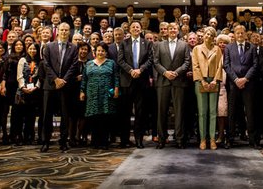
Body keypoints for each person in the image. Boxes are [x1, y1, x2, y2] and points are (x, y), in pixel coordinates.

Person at [40, 22, 79, 152]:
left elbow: (74, 66)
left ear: (69, 32)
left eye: (66, 30)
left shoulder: (73, 48)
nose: (63, 32)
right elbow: (46, 64)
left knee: (65, 115)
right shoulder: (49, 46)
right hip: (50, 85)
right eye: (61, 30)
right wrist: (56, 79)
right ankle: (45, 141)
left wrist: (63, 80)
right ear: (58, 32)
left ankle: (63, 141)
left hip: (66, 86)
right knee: (47, 115)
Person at [153, 22, 191, 149]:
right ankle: (161, 139)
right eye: (170, 29)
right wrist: (165, 72)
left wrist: (176, 72)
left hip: (179, 81)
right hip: (163, 82)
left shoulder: (184, 45)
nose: (173, 31)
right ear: (167, 31)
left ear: (178, 30)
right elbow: (156, 62)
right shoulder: (159, 45)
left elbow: (187, 62)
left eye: (175, 28)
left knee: (179, 112)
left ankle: (180, 139)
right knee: (161, 112)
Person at [117, 21, 153, 149]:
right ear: (129, 30)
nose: (135, 29)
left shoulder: (147, 43)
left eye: (137, 27)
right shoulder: (123, 43)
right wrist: (131, 70)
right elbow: (120, 60)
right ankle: (124, 140)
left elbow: (150, 60)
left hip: (141, 82)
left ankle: (139, 139)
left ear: (141, 29)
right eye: (133, 27)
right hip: (127, 81)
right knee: (125, 112)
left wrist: (140, 70)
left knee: (140, 113)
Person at [223, 25, 259, 149]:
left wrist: (245, 78)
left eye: (242, 33)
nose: (239, 35)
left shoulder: (252, 47)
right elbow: (226, 65)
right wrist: (236, 79)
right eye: (237, 33)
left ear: (245, 34)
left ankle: (253, 140)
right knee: (232, 113)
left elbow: (255, 65)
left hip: (248, 84)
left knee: (250, 112)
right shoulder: (228, 47)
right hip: (233, 84)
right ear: (235, 34)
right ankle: (230, 139)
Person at [80, 42, 119, 149]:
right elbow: (84, 79)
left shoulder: (111, 63)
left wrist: (116, 89)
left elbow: (116, 77)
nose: (100, 52)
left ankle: (104, 141)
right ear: (95, 52)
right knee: (94, 117)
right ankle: (95, 141)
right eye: (98, 50)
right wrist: (82, 91)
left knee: (105, 118)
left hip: (106, 95)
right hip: (92, 95)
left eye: (102, 51)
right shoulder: (89, 64)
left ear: (106, 52)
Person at [192, 26, 224, 150]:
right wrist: (202, 80)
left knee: (212, 112)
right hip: (201, 81)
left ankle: (212, 139)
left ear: (214, 37)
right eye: (207, 34)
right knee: (202, 112)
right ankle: (203, 139)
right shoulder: (196, 49)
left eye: (211, 35)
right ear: (203, 35)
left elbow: (220, 66)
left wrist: (215, 80)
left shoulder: (217, 49)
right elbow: (195, 66)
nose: (208, 36)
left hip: (214, 81)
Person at [13, 43, 41, 145]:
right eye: (30, 48)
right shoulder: (22, 60)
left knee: (31, 116)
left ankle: (28, 136)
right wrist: (23, 87)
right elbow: (19, 75)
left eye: (34, 49)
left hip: (34, 91)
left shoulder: (40, 62)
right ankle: (19, 136)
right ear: (27, 49)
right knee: (19, 116)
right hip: (22, 91)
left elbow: (41, 77)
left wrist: (36, 87)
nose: (32, 50)